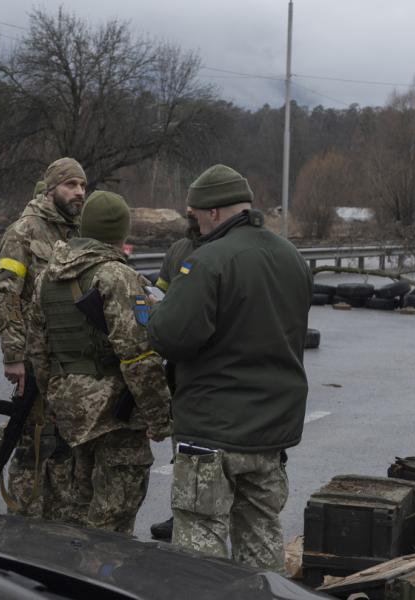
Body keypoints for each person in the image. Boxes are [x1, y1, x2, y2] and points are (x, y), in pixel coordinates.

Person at [146, 164, 312, 571]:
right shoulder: (291, 257)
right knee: (261, 537)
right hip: (271, 430)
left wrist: (156, 311)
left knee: (200, 544)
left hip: (212, 430)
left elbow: (171, 337)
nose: (196, 225)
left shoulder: (209, 261)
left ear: (214, 213)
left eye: (196, 215)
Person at [27, 190, 172, 534]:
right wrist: (159, 417)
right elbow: (137, 355)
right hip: (113, 415)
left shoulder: (47, 276)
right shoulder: (116, 277)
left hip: (69, 411)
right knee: (114, 517)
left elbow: (37, 350)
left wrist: (56, 400)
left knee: (79, 509)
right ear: (120, 233)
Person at [0, 159, 85, 520]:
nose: (79, 192)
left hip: (65, 356)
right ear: (51, 189)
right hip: (33, 356)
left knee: (59, 433)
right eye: (70, 185)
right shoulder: (24, 232)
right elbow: (5, 296)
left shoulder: (76, 232)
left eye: (82, 185)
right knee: (35, 439)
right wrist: (14, 355)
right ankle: (23, 516)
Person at [148, 209, 202, 541]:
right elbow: (161, 296)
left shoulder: (227, 248)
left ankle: (215, 514)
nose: (193, 212)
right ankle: (180, 513)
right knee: (181, 443)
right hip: (179, 366)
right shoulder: (178, 250)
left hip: (212, 364)